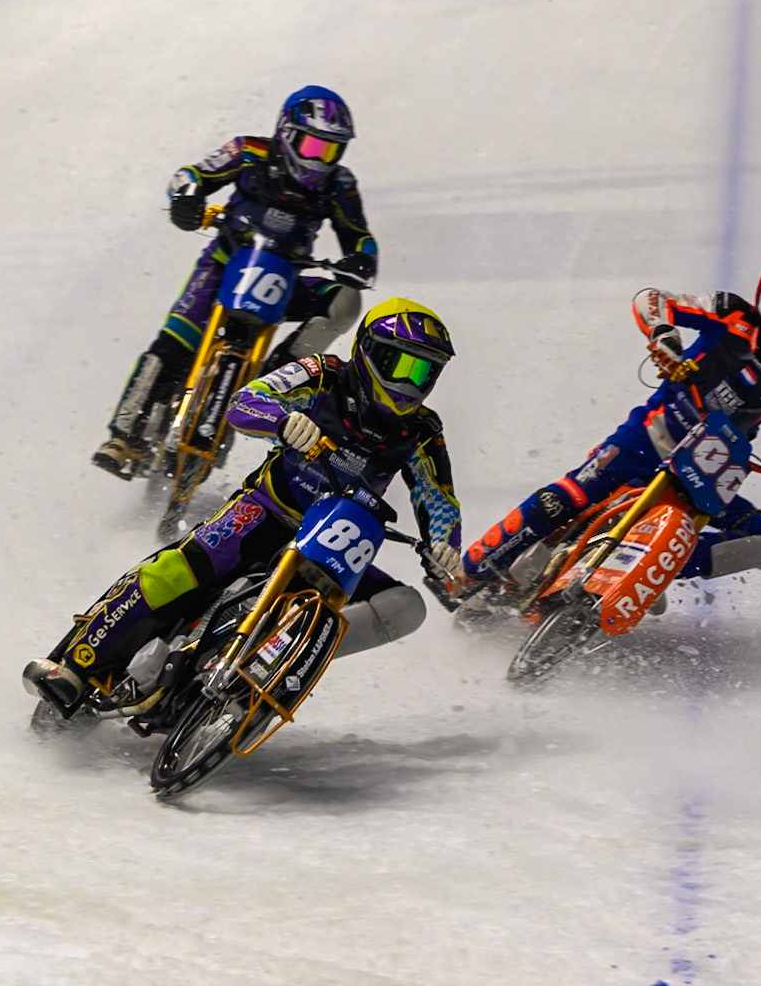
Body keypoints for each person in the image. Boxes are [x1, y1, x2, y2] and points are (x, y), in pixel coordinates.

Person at [26, 298, 465, 721]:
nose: (409, 384)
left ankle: (289, 662)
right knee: (176, 570)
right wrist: (281, 421)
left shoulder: (424, 430)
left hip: (336, 546)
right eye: (400, 365)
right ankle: (76, 667)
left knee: (407, 606)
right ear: (366, 349)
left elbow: (438, 498)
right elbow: (244, 401)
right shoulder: (323, 372)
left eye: (424, 372)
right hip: (266, 511)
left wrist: (444, 545)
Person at [442, 251, 761, 604]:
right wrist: (662, 335)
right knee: (565, 498)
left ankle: (642, 576)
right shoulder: (729, 313)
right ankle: (472, 571)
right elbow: (653, 299)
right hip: (649, 440)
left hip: (710, 474)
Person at [92, 85, 380, 479]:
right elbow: (190, 175)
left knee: (345, 301)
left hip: (287, 278)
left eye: (331, 150)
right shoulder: (247, 151)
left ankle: (286, 368)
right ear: (287, 133)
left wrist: (362, 261)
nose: (321, 161)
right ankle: (125, 435)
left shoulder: (340, 185)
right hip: (224, 265)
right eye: (314, 147)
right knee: (176, 340)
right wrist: (187, 198)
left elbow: (359, 235)